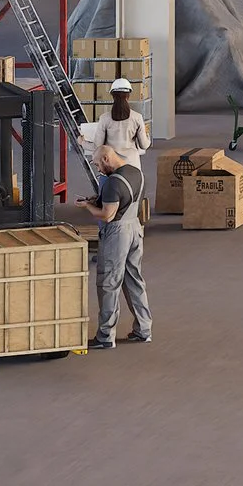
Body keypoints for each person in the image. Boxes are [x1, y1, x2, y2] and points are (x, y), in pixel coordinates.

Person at [85, 149, 150, 350]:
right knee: (134, 280)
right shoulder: (136, 172)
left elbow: (107, 215)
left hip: (117, 233)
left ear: (106, 158)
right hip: (135, 229)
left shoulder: (113, 182)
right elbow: (125, 201)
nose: (98, 169)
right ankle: (144, 330)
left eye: (98, 164)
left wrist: (87, 206)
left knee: (108, 282)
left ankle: (105, 336)